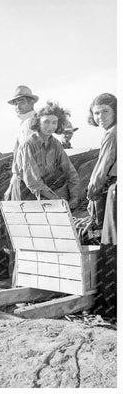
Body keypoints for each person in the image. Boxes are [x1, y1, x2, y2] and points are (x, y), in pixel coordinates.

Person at [86, 93, 117, 318]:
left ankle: (109, 306)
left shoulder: (113, 134)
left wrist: (91, 194)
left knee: (111, 245)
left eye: (105, 111)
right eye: (96, 113)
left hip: (115, 190)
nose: (100, 117)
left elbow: (101, 169)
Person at [16, 101, 80, 209]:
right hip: (27, 194)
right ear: (38, 122)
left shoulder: (56, 144)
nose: (50, 126)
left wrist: (74, 196)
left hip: (47, 193)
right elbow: (33, 181)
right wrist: (55, 200)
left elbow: (70, 171)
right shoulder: (29, 144)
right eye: (46, 122)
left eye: (54, 122)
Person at [4, 85, 39, 200]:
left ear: (31, 103)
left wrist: (17, 177)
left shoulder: (30, 123)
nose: (17, 106)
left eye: (21, 102)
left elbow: (27, 155)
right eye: (15, 103)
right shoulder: (26, 122)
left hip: (25, 178)